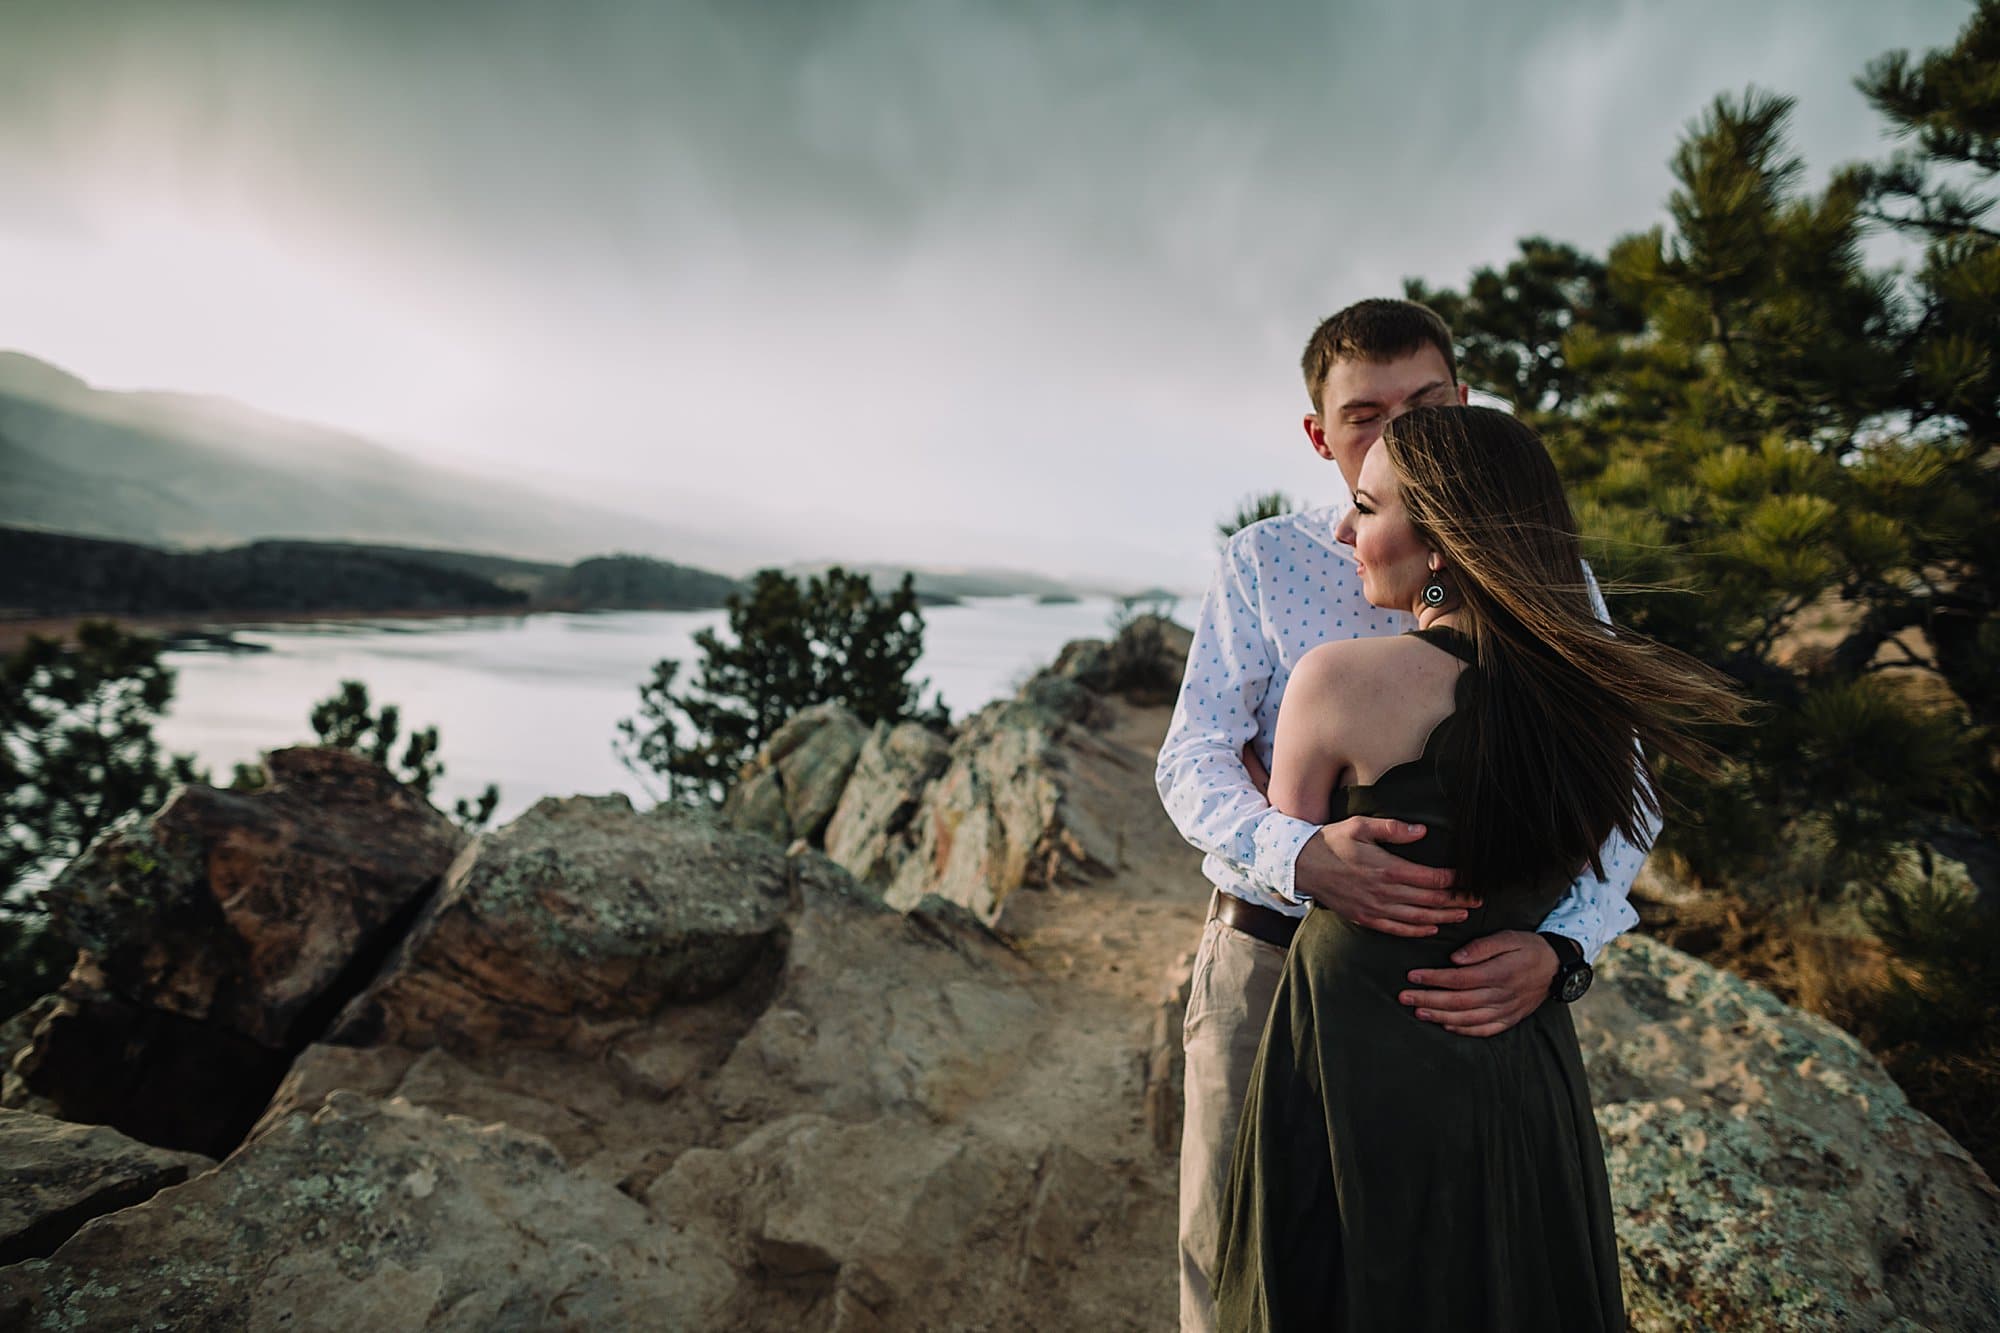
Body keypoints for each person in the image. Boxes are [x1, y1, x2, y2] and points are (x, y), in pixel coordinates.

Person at [1155, 299, 1650, 1332]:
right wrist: (1298, 854)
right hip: (1268, 955)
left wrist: (1560, 946)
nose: (1396, 434)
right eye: (1365, 416)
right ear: (1319, 434)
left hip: (1461, 983)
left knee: (1459, 1266)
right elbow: (1194, 757)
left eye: (1424, 405)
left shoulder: (1549, 579)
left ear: (1462, 402)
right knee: (1239, 1248)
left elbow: (1621, 794)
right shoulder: (1262, 562)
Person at [1209, 404, 1744, 1329]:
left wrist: (1280, 822)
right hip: (1518, 1055)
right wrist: (1562, 952)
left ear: (1442, 543)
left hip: (1350, 1057)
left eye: (1368, 508)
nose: (1345, 526)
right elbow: (1611, 843)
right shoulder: (1593, 693)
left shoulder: (1334, 681)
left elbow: (1280, 866)